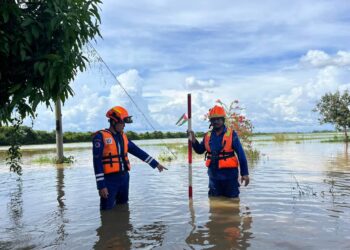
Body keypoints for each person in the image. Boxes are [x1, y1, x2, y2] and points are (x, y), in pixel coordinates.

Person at [92, 106, 166, 210]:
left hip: (124, 177)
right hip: (109, 180)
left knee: (123, 207)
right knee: (106, 210)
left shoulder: (123, 137)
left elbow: (138, 152)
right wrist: (101, 185)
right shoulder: (100, 137)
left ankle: (122, 225)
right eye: (122, 123)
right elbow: (97, 162)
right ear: (114, 122)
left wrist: (155, 163)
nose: (124, 126)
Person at [188, 105, 249, 198]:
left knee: (233, 202)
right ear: (210, 122)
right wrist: (193, 139)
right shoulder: (207, 135)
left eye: (218, 119)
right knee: (214, 201)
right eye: (213, 120)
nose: (215, 121)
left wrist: (244, 173)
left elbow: (241, 154)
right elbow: (200, 150)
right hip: (214, 177)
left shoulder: (232, 134)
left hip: (230, 177)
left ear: (223, 120)